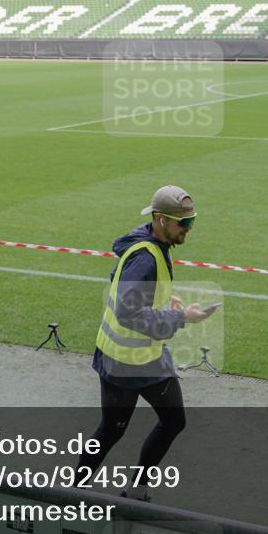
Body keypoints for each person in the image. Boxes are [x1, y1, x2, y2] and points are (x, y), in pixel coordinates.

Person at [77, 185, 217, 501]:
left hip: (122, 355)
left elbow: (121, 281)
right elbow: (128, 313)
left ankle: (80, 491)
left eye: (191, 221)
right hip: (131, 359)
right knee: (158, 423)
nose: (189, 229)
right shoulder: (146, 258)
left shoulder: (144, 244)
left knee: (119, 428)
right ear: (160, 220)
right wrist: (183, 319)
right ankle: (92, 492)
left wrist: (162, 298)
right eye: (184, 223)